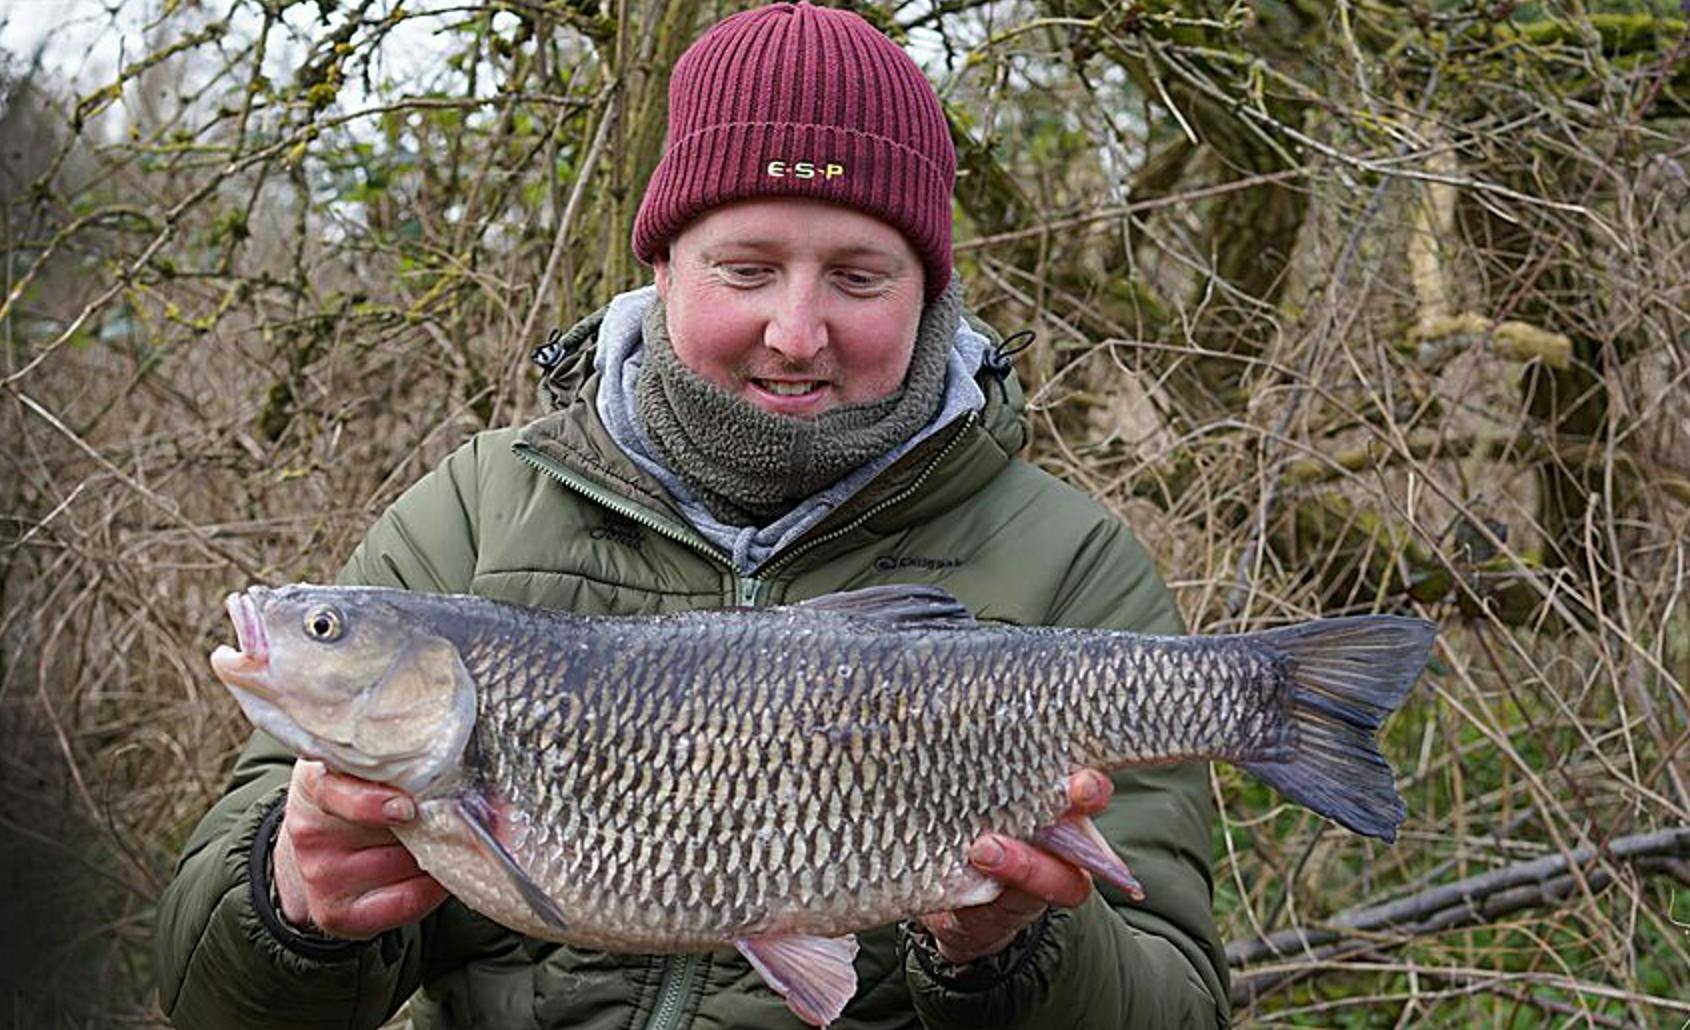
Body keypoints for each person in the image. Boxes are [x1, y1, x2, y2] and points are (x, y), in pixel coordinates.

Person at [155, 4, 1229, 1027]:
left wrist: (1006, 949)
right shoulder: (470, 517)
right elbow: (207, 996)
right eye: (747, 269)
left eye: (858, 277)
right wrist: (294, 898)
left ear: (930, 293)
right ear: (663, 264)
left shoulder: (1075, 568)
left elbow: (1175, 1003)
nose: (796, 331)